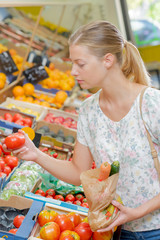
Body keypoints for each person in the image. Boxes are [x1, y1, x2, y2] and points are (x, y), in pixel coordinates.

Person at [3, 20, 160, 239]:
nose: (73, 71)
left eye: (81, 64)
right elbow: (79, 172)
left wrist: (136, 212)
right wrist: (36, 155)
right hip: (113, 229)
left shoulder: (152, 104)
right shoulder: (88, 110)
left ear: (107, 60)